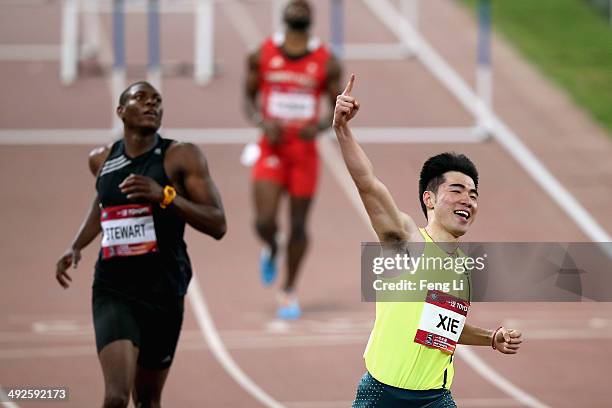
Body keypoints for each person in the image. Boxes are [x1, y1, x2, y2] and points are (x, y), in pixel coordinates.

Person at [333, 75, 523, 408]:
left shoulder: (462, 267)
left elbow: (438, 328)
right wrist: (342, 130)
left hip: (435, 399)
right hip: (382, 396)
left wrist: (492, 339)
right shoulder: (406, 241)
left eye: (474, 194)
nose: (468, 200)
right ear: (430, 199)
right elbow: (368, 184)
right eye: (457, 190)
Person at [55, 81, 226, 408]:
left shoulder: (182, 156)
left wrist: (165, 196)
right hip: (114, 288)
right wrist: (76, 245)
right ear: (121, 111)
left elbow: (218, 223)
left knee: (147, 400)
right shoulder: (102, 159)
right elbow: (103, 201)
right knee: (116, 397)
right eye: (141, 98)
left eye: (157, 100)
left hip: (164, 289)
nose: (151, 104)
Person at [244, 0, 342, 319]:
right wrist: (261, 121)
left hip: (303, 152)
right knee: (263, 221)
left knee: (299, 224)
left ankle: (288, 290)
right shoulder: (261, 54)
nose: (298, 8)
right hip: (271, 147)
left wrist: (319, 125)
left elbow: (336, 108)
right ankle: (272, 247)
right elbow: (248, 99)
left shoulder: (326, 61)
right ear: (284, 16)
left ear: (310, 18)